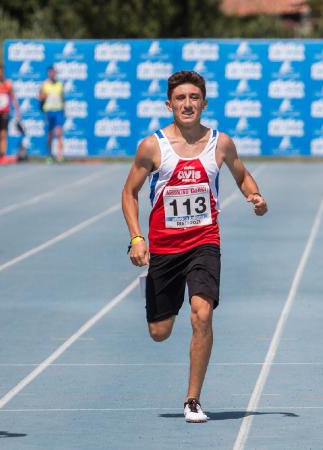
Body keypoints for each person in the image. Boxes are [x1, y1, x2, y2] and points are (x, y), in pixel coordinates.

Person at [122, 70, 268, 422]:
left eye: (194, 98)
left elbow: (241, 173)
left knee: (202, 313)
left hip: (204, 242)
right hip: (165, 248)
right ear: (168, 104)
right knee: (160, 332)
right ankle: (158, 295)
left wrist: (254, 194)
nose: (188, 105)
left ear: (204, 102)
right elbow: (129, 192)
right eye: (181, 99)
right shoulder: (153, 146)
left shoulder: (221, 143)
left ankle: (192, 399)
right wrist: (137, 237)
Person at [0, 64, 19, 165]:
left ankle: (3, 154)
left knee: (3, 134)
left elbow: (13, 97)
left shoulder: (8, 84)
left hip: (5, 112)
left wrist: (17, 110)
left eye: (1, 72)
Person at [39, 65, 64, 162]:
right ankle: (49, 155)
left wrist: (64, 110)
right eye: (50, 72)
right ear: (48, 73)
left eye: (54, 72)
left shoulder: (59, 85)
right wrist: (43, 96)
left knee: (59, 133)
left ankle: (60, 155)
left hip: (58, 111)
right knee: (50, 134)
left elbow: (62, 98)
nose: (52, 74)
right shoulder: (44, 85)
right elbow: (40, 97)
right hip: (48, 111)